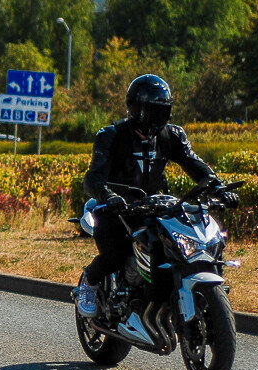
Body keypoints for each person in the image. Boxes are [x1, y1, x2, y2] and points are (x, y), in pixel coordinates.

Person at [76, 74, 234, 317]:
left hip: (156, 206)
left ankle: (176, 293)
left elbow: (194, 164)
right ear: (135, 108)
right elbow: (93, 177)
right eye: (151, 111)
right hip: (116, 207)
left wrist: (217, 187)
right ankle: (89, 283)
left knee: (192, 243)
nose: (156, 118)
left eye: (162, 111)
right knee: (115, 254)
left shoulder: (172, 135)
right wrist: (107, 195)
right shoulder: (111, 135)